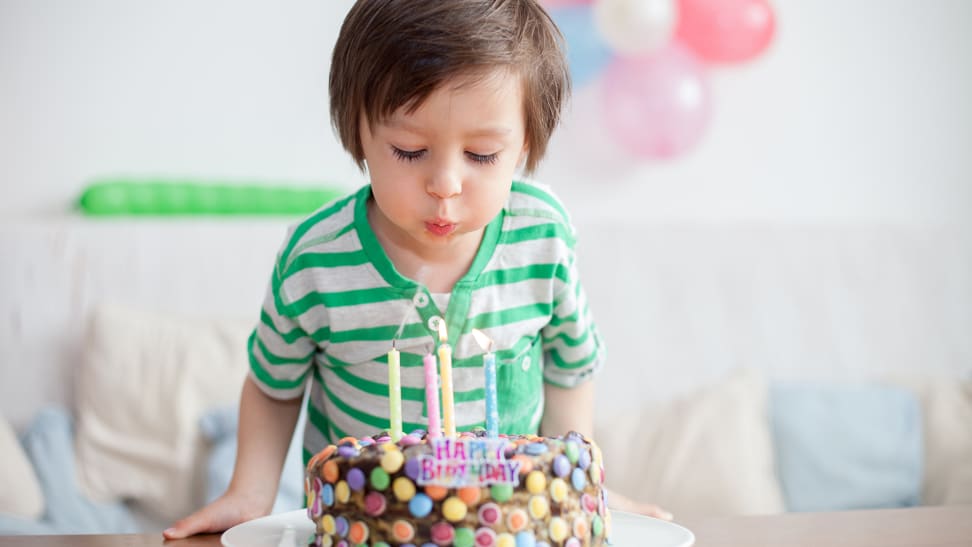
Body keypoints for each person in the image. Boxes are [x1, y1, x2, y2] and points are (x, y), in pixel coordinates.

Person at [164, 0, 669, 538]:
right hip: (367, 532)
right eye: (409, 150)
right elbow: (273, 384)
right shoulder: (315, 259)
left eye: (481, 155)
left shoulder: (541, 238)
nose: (445, 183)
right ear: (357, 132)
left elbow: (569, 366)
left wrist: (581, 483)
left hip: (507, 528)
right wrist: (250, 493)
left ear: (525, 141)